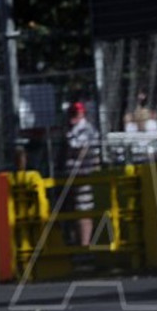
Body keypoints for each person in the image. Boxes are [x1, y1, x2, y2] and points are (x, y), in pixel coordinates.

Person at [64, 101, 102, 247]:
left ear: (82, 113)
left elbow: (78, 148)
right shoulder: (73, 129)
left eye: (75, 113)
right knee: (71, 211)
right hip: (71, 176)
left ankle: (85, 245)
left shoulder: (86, 129)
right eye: (71, 113)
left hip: (83, 175)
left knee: (83, 209)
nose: (72, 117)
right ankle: (76, 244)